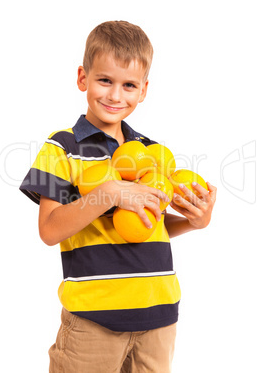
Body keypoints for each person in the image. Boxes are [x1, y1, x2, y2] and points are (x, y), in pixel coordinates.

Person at [20, 20, 216, 372]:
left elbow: (151, 224)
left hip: (159, 314)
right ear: (83, 78)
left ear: (143, 91)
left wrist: (193, 221)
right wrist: (108, 194)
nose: (115, 95)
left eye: (129, 85)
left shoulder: (153, 151)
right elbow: (49, 231)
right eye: (104, 80)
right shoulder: (63, 147)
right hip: (94, 320)